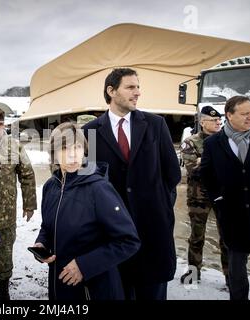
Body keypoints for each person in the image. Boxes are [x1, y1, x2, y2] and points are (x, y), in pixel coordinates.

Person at [83, 68, 181, 300]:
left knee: (153, 292)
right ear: (111, 91)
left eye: (138, 87)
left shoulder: (156, 125)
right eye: (130, 87)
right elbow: (91, 180)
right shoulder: (91, 132)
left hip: (153, 230)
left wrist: (161, 207)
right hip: (113, 235)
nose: (138, 92)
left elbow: (172, 174)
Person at [34, 122, 140, 300]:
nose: (72, 155)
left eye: (77, 147)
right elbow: (47, 226)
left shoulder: (99, 189)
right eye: (64, 148)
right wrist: (41, 243)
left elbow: (128, 240)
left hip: (94, 289)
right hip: (60, 286)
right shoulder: (50, 187)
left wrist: (84, 266)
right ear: (53, 153)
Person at [201, 95, 250, 300]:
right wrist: (219, 201)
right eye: (245, 113)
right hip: (233, 216)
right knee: (237, 271)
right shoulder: (213, 143)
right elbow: (207, 174)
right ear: (229, 115)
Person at [0, 109, 37, 300]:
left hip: (6, 213)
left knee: (5, 253)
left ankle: (4, 289)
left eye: (0, 124)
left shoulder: (14, 146)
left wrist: (29, 204)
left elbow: (27, 175)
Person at [180, 106, 229, 285]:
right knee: (196, 237)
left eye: (219, 121)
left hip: (223, 196)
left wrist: (204, 160)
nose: (218, 123)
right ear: (202, 122)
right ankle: (194, 273)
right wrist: (215, 162)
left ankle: (230, 276)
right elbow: (193, 170)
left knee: (227, 237)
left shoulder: (227, 140)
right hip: (198, 197)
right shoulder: (190, 142)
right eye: (214, 120)